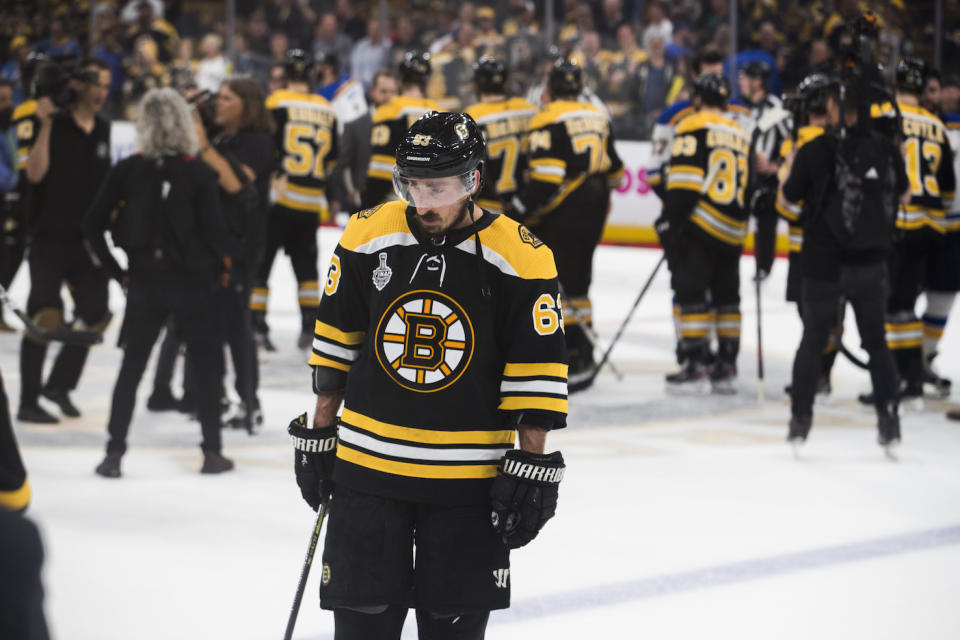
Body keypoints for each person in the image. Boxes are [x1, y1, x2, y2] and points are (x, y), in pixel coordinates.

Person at [290, 111, 567, 639]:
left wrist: (531, 461)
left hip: (468, 484)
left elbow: (536, 374)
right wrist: (322, 427)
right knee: (360, 628)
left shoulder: (523, 258)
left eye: (437, 186)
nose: (422, 201)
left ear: (472, 181)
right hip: (367, 472)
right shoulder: (368, 231)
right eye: (411, 184)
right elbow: (334, 345)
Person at [83, 88, 236, 477]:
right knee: (206, 368)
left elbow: (92, 225)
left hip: (145, 283)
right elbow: (216, 232)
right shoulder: (198, 170)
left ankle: (113, 453)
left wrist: (118, 273)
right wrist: (232, 263)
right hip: (194, 284)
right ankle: (212, 452)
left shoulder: (129, 169)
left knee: (131, 369)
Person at [780, 79, 908, 456]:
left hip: (823, 264)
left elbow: (788, 201)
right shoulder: (885, 148)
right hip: (872, 263)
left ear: (836, 105)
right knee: (876, 343)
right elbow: (904, 194)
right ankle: (890, 422)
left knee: (813, 340)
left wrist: (789, 169)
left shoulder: (816, 147)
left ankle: (800, 423)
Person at [514, 58, 623, 392]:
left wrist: (521, 207)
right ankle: (582, 349)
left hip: (567, 207)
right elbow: (616, 173)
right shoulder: (598, 116)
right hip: (595, 202)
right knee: (580, 281)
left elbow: (547, 178)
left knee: (561, 279)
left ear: (550, 89)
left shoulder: (547, 117)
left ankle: (570, 350)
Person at [18, 58, 113, 424]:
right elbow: (35, 173)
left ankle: (58, 385)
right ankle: (28, 401)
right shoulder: (53, 123)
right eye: (98, 84)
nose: (104, 92)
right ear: (81, 86)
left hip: (87, 239)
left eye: (107, 85)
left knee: (95, 313)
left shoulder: (103, 128)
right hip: (49, 235)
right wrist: (43, 126)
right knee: (44, 315)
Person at [860, 58, 956, 407]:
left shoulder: (885, 116)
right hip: (930, 228)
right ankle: (909, 374)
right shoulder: (938, 126)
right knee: (904, 305)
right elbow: (948, 189)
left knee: (894, 306)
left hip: (898, 224)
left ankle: (904, 379)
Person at [658, 72, 750, 394]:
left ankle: (696, 362)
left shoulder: (691, 126)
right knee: (728, 298)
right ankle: (727, 363)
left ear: (697, 98)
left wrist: (670, 221)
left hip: (701, 225)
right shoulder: (740, 132)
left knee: (691, 292)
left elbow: (684, 184)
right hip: (733, 230)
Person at [195, 75, 276, 432]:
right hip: (213, 242)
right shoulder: (221, 137)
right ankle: (213, 396)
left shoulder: (258, 141)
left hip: (242, 246)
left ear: (247, 104)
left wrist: (201, 145)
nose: (219, 104)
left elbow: (233, 180)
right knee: (209, 326)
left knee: (237, 329)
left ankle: (250, 401)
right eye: (219, 97)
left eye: (227, 98)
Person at [252, 49, 339, 351]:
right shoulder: (327, 108)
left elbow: (264, 148)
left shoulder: (276, 102)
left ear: (286, 74)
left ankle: (257, 325)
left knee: (261, 265)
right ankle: (309, 327)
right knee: (307, 270)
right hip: (310, 200)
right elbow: (331, 160)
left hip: (279, 197)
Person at [776, 73, 838, 399]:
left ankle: (815, 372)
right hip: (841, 245)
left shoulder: (796, 145)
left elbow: (786, 204)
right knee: (833, 315)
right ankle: (823, 372)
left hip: (806, 247)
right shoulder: (846, 141)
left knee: (811, 315)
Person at [361, 51, 443, 210]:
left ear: (401, 78)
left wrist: (365, 207)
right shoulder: (443, 113)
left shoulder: (390, 109)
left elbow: (381, 170)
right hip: (436, 206)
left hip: (398, 205)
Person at [464, 56, 537, 215]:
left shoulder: (472, 117)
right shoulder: (529, 110)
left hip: (490, 206)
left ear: (478, 84)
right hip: (528, 205)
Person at [739, 60, 789, 281]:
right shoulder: (741, 107)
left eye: (745, 78)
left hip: (767, 179)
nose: (741, 82)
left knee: (766, 223)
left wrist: (776, 166)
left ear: (757, 81)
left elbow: (792, 141)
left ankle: (763, 267)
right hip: (743, 174)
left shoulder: (775, 108)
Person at [335, 69, 397, 215]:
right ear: (372, 92)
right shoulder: (355, 126)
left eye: (393, 92)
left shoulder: (403, 124)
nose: (389, 97)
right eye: (383, 91)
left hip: (395, 204)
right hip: (363, 203)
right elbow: (344, 165)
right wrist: (353, 193)